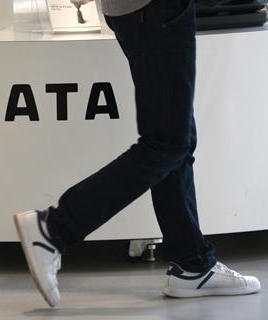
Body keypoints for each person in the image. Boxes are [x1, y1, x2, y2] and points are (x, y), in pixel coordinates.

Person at [13, 0, 261, 308]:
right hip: (155, 9)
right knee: (168, 142)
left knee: (175, 136)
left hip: (141, 11)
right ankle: (55, 229)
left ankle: (192, 265)